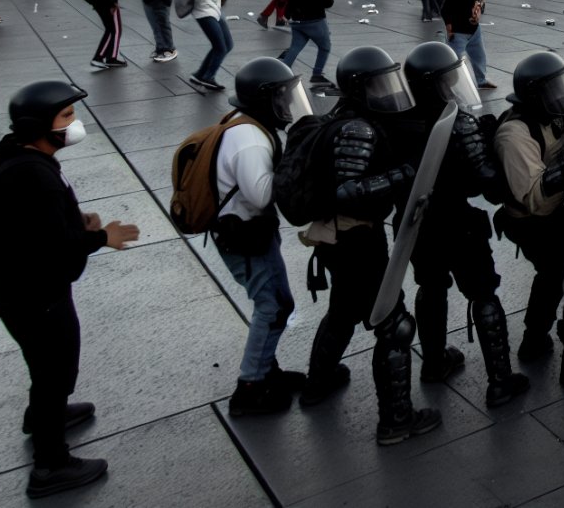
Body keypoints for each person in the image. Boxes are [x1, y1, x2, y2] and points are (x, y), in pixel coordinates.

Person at [0, 81, 140, 498]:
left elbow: (35, 226)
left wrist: (76, 221)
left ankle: (42, 416)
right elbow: (52, 249)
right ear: (39, 125)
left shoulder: (18, 155)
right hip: (36, 296)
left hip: (18, 290)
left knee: (45, 366)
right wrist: (99, 236)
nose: (74, 124)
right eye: (66, 117)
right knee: (55, 368)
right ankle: (50, 466)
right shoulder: (34, 174)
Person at [287, 47, 445, 441]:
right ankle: (396, 420)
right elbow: (347, 191)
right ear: (360, 89)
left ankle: (317, 384)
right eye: (378, 84)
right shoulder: (358, 128)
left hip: (340, 237)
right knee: (394, 325)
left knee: (342, 310)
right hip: (355, 237)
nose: (386, 90)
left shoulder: (348, 118)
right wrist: (406, 174)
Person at [400, 42, 531, 406]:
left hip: (416, 224)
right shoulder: (457, 123)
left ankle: (433, 361)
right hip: (457, 222)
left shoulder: (397, 120)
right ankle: (500, 380)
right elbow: (486, 185)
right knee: (483, 293)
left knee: (430, 286)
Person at [491, 52, 564, 379]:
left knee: (554, 275)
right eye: (555, 90)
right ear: (536, 96)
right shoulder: (514, 133)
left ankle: (534, 339)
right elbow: (532, 195)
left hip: (555, 211)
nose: (563, 95)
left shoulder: (553, 117)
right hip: (530, 221)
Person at [213, 58, 309, 416]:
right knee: (271, 306)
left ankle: (266, 369)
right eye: (282, 96)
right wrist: (297, 165)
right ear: (264, 99)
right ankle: (250, 387)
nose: (287, 104)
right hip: (245, 234)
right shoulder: (251, 140)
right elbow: (262, 194)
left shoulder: (244, 125)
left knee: (277, 302)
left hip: (246, 229)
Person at [279, 0, 335, 87]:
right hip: (314, 19)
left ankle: (280, 75)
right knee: (325, 47)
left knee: (295, 48)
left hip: (297, 21)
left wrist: (287, 14)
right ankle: (317, 74)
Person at [441, 0, 498, 90]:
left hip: (474, 29)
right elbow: (446, 7)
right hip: (458, 30)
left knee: (479, 57)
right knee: (453, 60)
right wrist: (449, 28)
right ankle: (447, 85)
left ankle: (481, 80)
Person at [188, 0, 233, 92]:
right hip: (204, 12)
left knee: (227, 44)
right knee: (221, 47)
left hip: (214, 11)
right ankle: (208, 77)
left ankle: (200, 74)